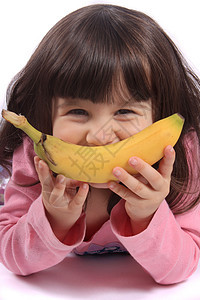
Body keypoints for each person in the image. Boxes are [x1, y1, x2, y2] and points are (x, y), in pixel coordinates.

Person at [0, 4, 200, 285]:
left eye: (125, 112)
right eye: (78, 112)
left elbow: (182, 268)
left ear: (161, 113)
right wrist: (53, 218)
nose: (100, 136)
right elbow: (11, 258)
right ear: (45, 113)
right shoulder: (38, 160)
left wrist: (148, 213)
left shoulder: (177, 158)